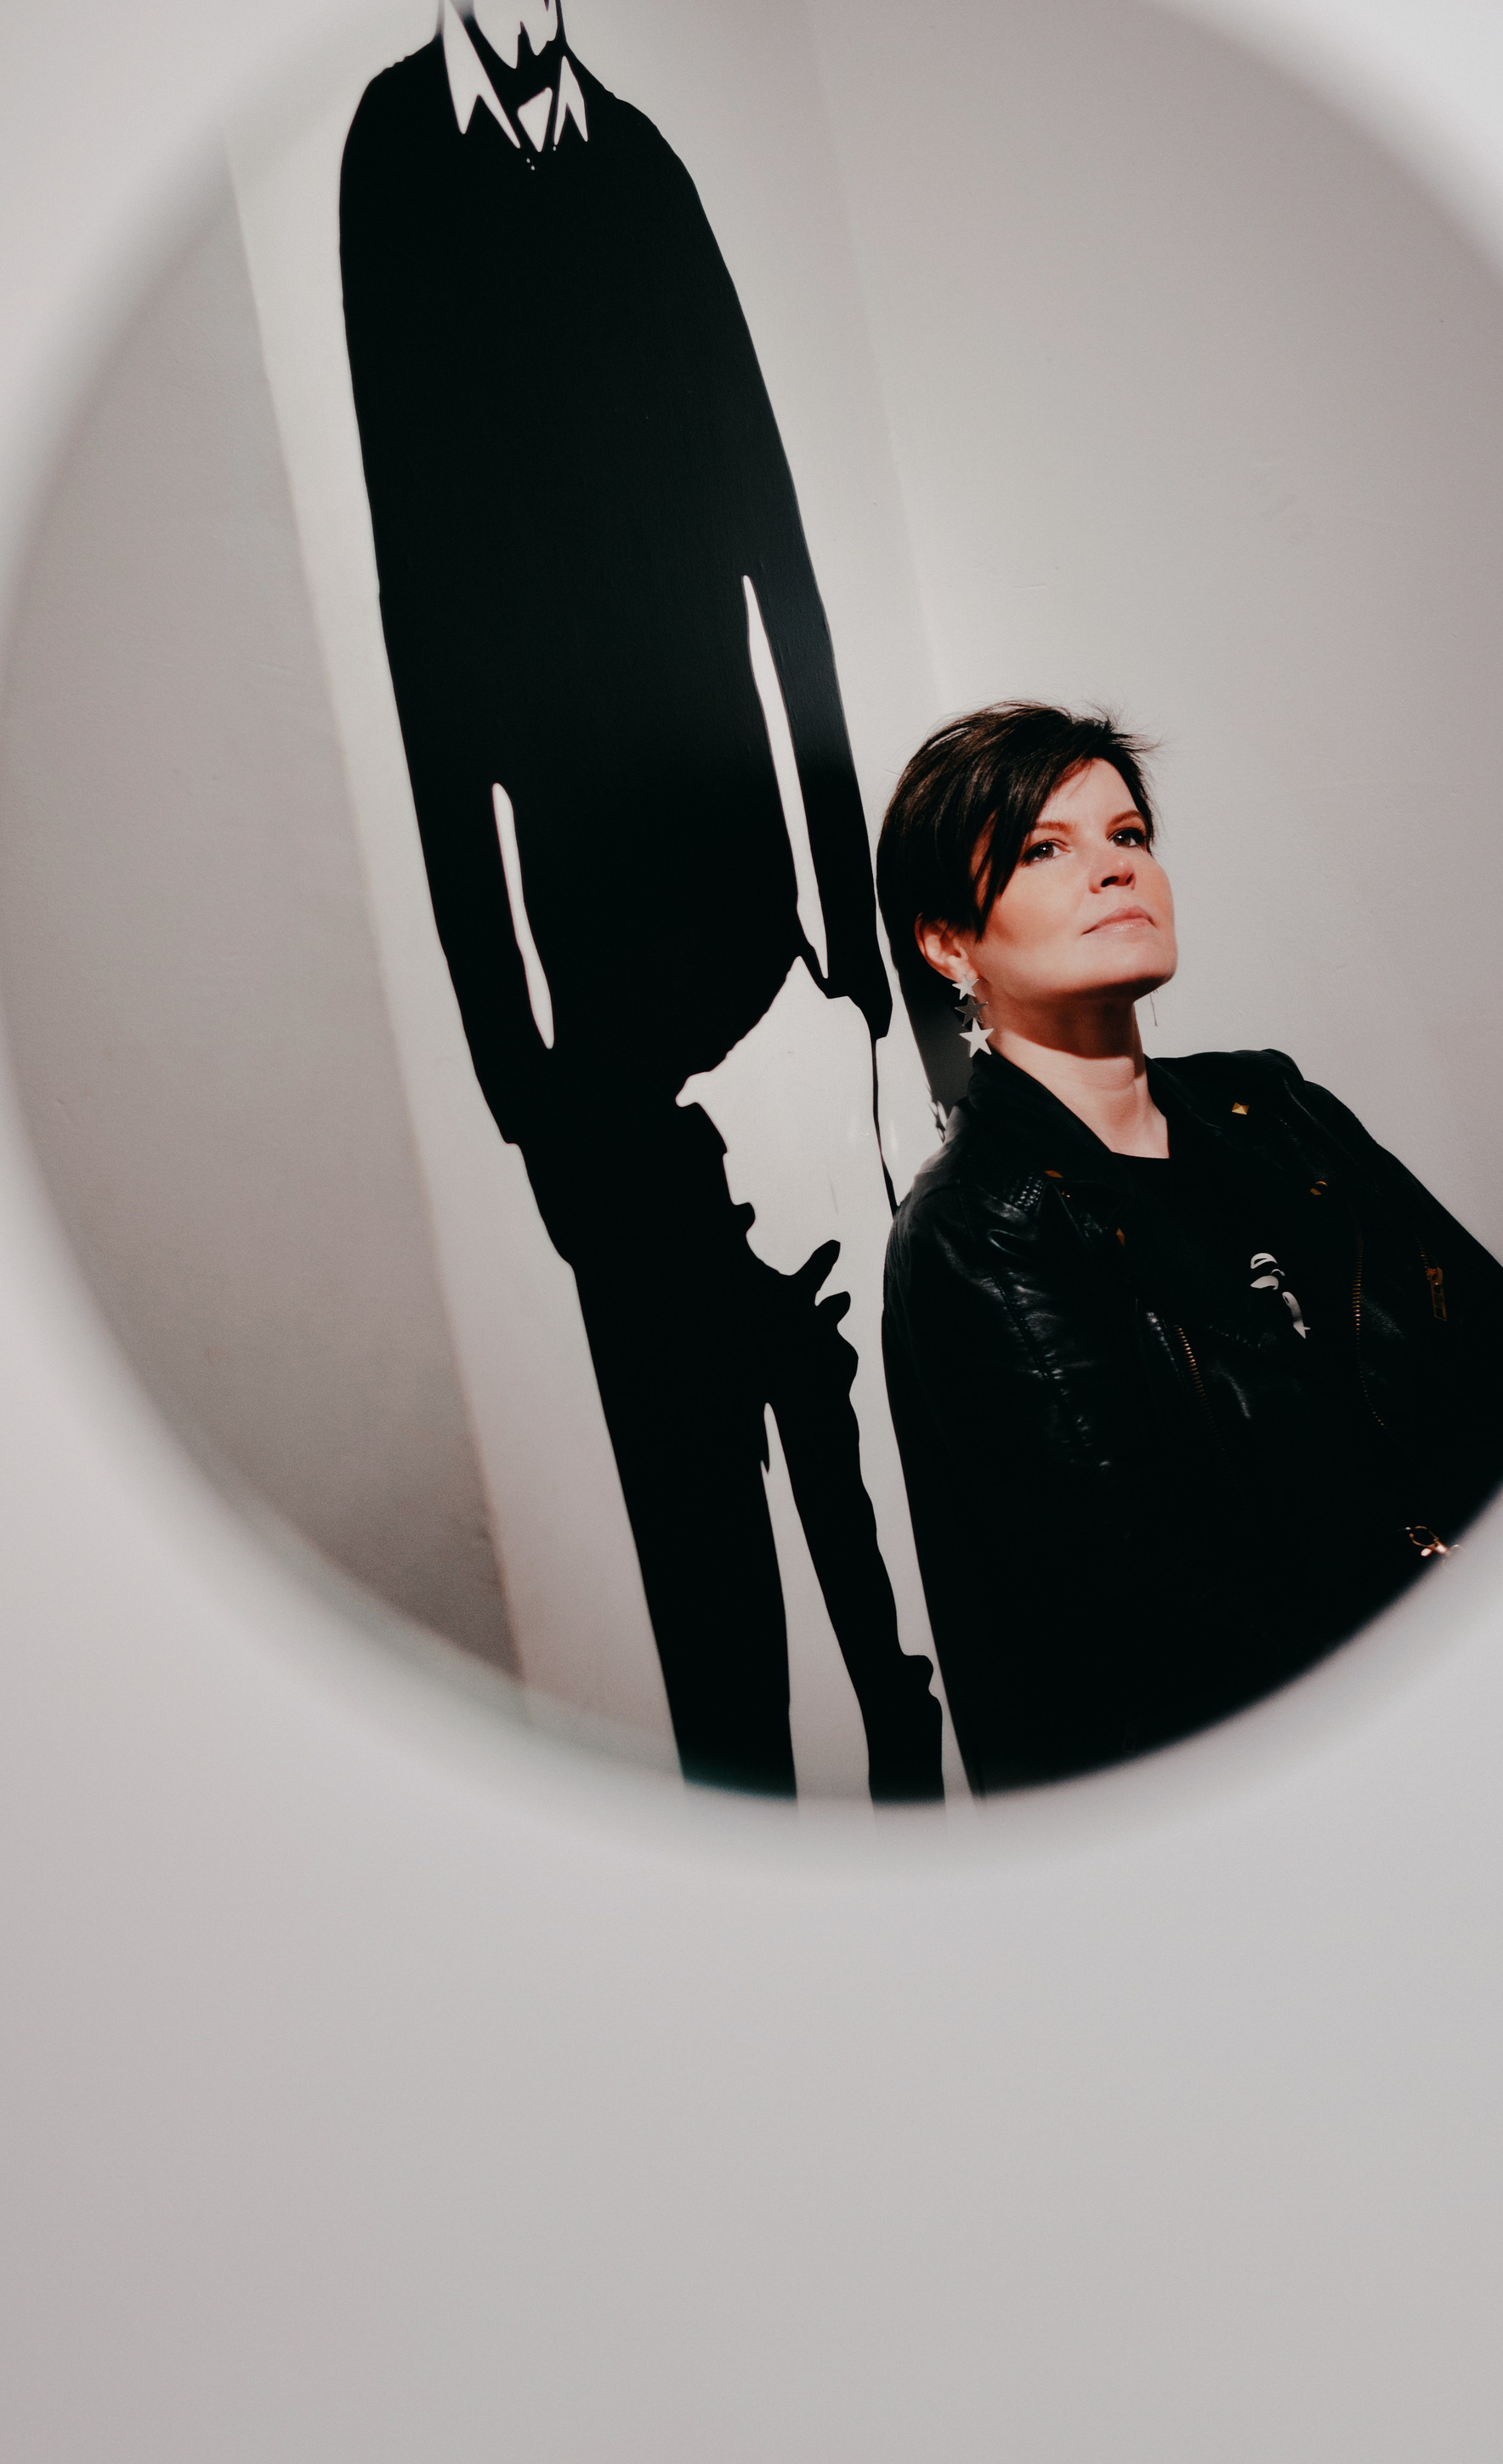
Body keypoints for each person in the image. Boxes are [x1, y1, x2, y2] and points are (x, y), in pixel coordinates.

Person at [339, 1, 942, 1799]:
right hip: (593, 1028)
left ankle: (931, 1832)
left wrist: (854, 987)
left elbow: (780, 566)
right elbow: (421, 627)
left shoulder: (642, 169)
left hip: (772, 977)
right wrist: (518, 1067)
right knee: (710, 1596)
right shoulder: (398, 162)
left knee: (873, 1540)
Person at [876, 702, 1503, 1795]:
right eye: (1044, 849)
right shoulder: (984, 1229)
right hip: (1313, 1794)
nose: (1115, 869)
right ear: (947, 942)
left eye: (1128, 834)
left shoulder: (1276, 1108)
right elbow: (1158, 1614)